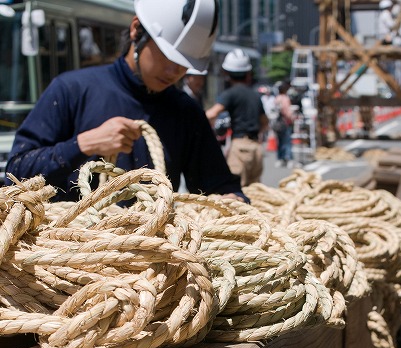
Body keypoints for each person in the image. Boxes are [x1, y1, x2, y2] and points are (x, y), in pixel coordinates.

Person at [6, 0, 246, 202]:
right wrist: (82, 145)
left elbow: (218, 185)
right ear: (136, 30)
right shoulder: (71, 89)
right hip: (68, 249)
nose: (175, 71)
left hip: (151, 250)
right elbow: (16, 173)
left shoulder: (186, 112)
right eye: (167, 55)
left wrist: (233, 200)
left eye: (185, 63)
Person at [205, 48, 269, 187]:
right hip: (256, 149)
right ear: (248, 74)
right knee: (255, 193)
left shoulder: (230, 94)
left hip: (240, 148)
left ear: (226, 73)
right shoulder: (255, 95)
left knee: (235, 192)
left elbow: (212, 114)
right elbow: (265, 122)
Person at [272, 81, 295, 168]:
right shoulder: (285, 98)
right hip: (285, 122)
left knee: (280, 141)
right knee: (287, 141)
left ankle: (280, 158)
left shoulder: (277, 98)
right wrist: (291, 119)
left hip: (277, 123)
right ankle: (288, 158)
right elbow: (287, 112)